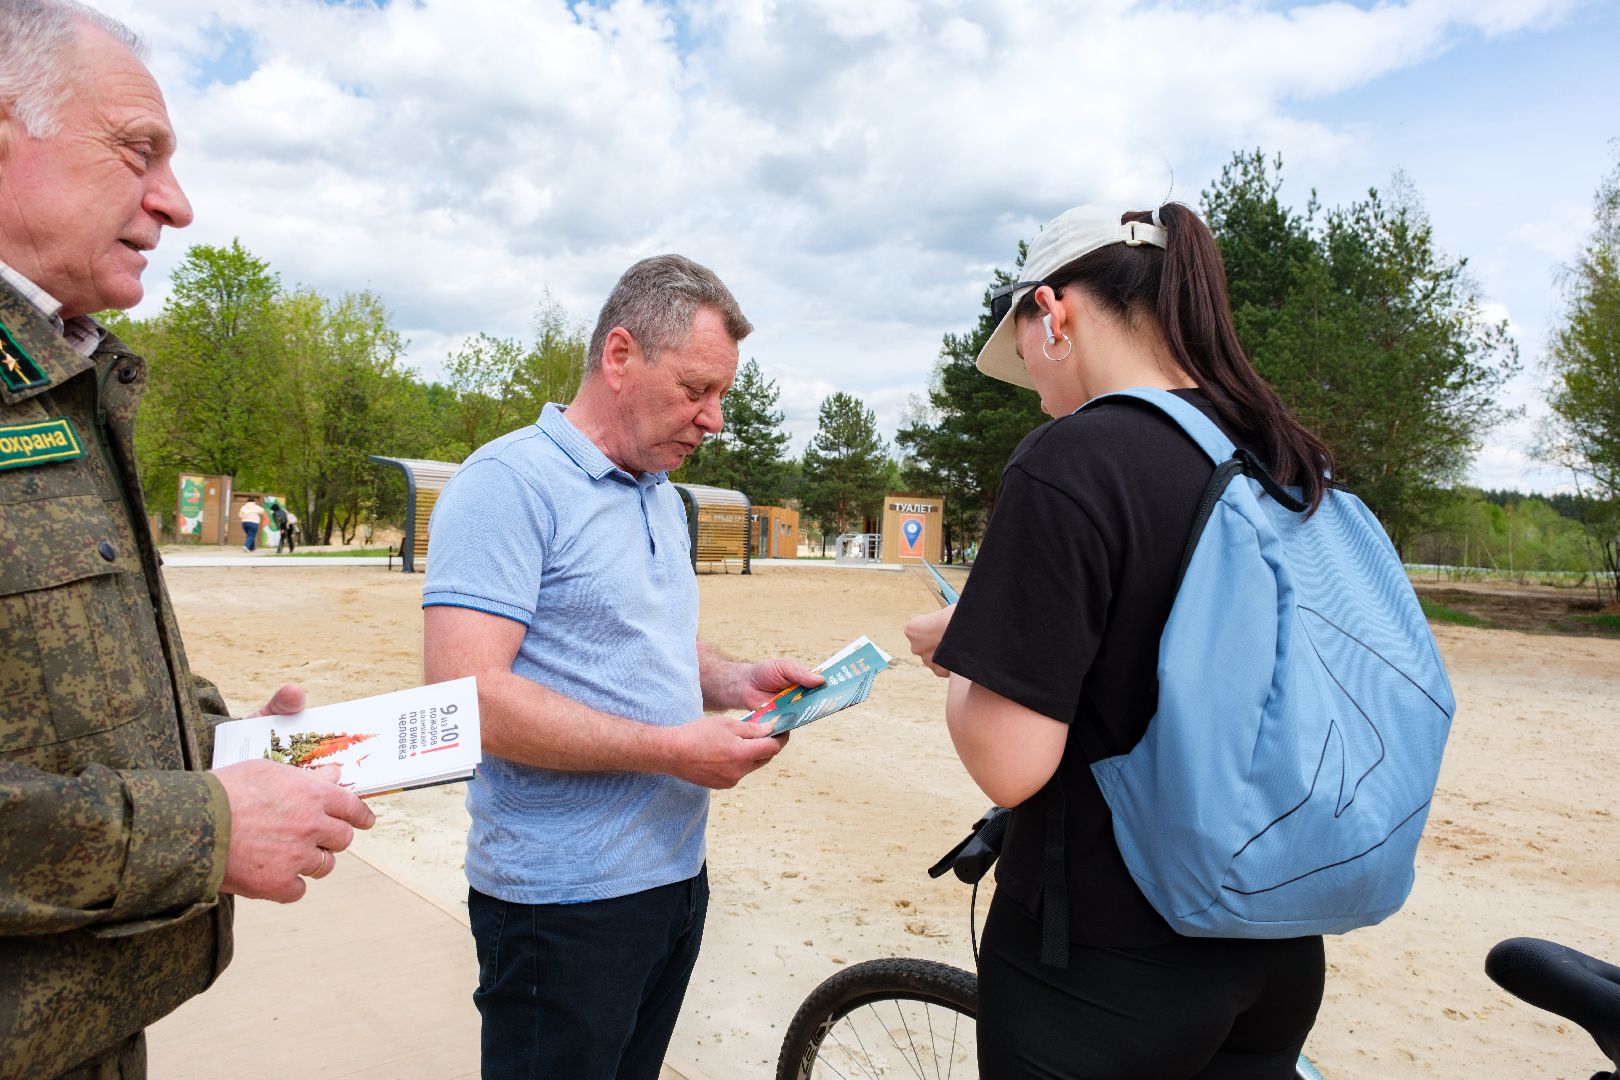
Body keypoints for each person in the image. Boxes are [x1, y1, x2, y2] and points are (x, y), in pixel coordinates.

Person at [0, 4, 376, 1077]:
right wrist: (203, 827)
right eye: (137, 152)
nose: (176, 202)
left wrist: (217, 738)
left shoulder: (60, 382)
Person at [905, 203, 1331, 1078]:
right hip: (1275, 939)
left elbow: (1009, 762)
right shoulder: (1279, 453)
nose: (1027, 371)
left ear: (1054, 313)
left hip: (1108, 958)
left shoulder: (1071, 458)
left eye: (1021, 341)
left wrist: (966, 649)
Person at [422, 254, 823, 1080]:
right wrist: (673, 750)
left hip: (673, 878)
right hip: (560, 904)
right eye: (696, 389)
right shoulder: (507, 484)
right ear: (619, 356)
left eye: (723, 397)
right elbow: (472, 699)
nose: (714, 420)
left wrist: (732, 681)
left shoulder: (660, 493)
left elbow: (643, 642)